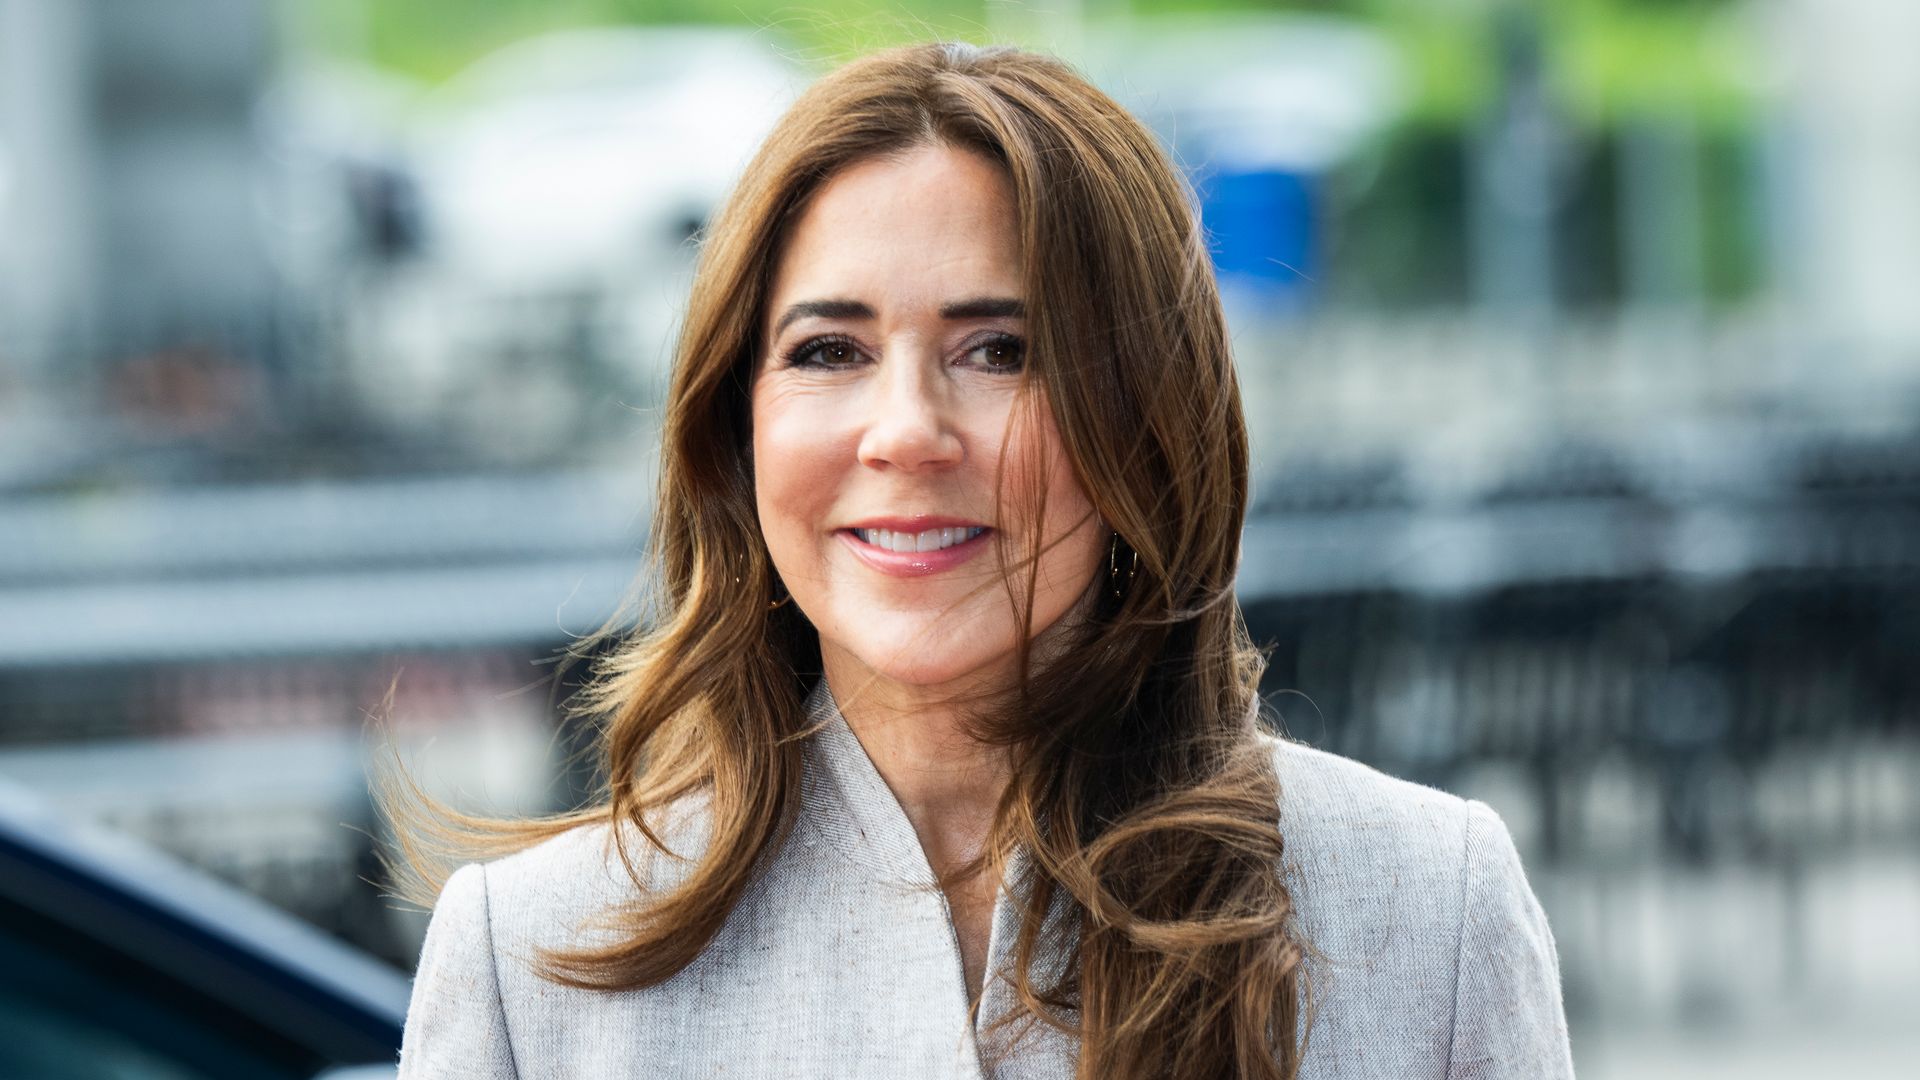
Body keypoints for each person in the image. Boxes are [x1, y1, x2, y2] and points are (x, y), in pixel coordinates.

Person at [391, 42, 1575, 1080]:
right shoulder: (531, 966)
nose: (905, 430)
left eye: (1001, 349)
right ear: (732, 434)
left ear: (1149, 419)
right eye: (828, 350)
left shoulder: (1428, 911)